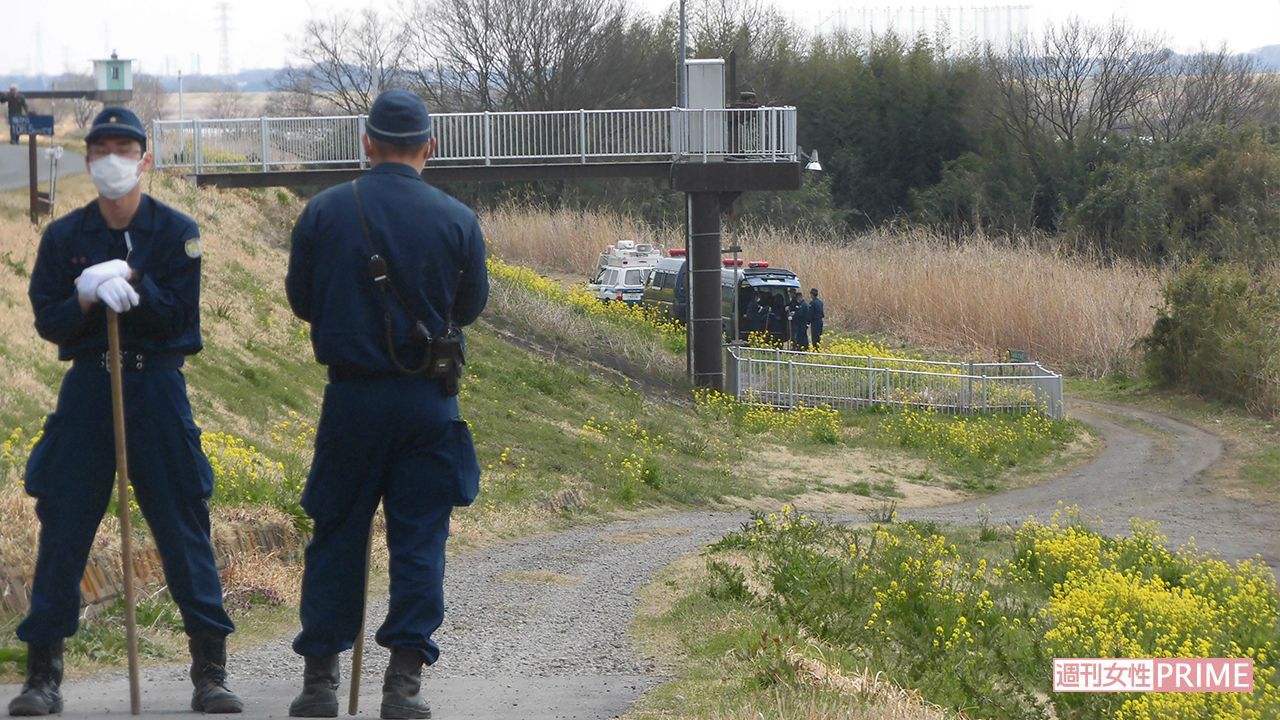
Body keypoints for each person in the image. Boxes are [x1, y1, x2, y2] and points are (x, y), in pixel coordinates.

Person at [9, 107, 242, 716]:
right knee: (63, 526)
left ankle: (209, 668)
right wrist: (85, 297)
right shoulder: (64, 238)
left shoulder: (176, 231)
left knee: (183, 522)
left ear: (146, 158)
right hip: (89, 389)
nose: (113, 158)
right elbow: (47, 318)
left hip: (156, 390)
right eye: (101, 147)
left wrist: (135, 282)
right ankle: (43, 673)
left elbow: (179, 321)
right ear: (88, 159)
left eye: (125, 147)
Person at [284, 89, 488, 720]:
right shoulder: (458, 220)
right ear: (431, 146)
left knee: (336, 534)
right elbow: (471, 308)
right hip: (428, 403)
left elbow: (300, 299)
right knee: (420, 541)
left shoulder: (322, 212)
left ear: (366, 143)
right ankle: (402, 684)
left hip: (351, 399)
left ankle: (320, 681)